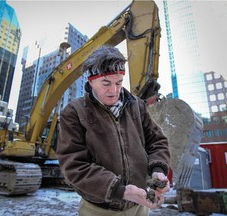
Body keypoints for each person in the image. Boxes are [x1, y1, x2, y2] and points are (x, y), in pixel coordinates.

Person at [56, 45, 170, 216]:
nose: (114, 90)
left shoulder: (137, 106)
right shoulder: (74, 113)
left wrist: (158, 171)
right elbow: (74, 166)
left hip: (139, 206)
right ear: (91, 81)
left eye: (119, 82)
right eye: (106, 83)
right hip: (98, 209)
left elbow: (157, 141)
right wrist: (120, 190)